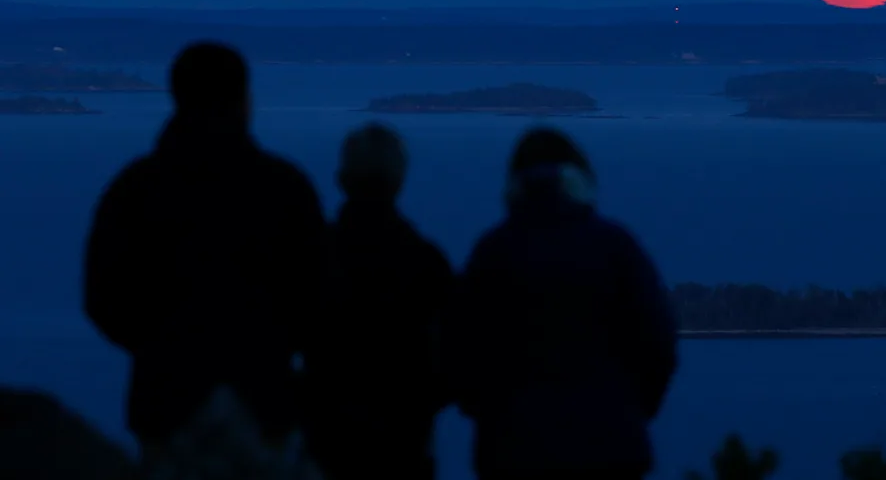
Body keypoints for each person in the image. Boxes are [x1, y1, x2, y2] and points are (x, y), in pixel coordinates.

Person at [83, 42, 328, 479]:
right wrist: (273, 347)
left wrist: (160, 346)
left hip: (165, 401)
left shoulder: (136, 189)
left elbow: (103, 298)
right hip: (264, 397)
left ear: (176, 95)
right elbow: (319, 298)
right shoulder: (284, 188)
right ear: (243, 98)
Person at [445, 126, 680, 480]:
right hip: (611, 449)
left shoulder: (493, 252)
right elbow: (659, 343)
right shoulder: (616, 247)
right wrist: (628, 410)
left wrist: (490, 413)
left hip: (514, 451)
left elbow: (458, 350)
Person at [301, 122, 455, 480]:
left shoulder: (314, 257)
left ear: (342, 178)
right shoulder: (425, 262)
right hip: (405, 444)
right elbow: (454, 360)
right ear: (399, 179)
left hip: (326, 441)